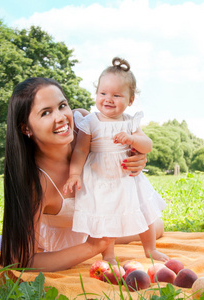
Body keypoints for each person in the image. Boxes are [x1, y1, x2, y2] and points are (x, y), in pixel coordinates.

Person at [0, 77, 163, 272]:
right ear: (26, 128)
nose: (61, 117)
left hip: (100, 222)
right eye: (46, 112)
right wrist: (92, 247)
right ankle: (4, 239)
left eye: (62, 105)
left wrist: (138, 158)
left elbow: (124, 147)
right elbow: (21, 262)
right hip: (68, 241)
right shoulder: (36, 182)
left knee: (157, 226)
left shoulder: (84, 125)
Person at [63, 57, 169, 264]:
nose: (108, 99)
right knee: (106, 217)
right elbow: (80, 151)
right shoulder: (91, 121)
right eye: (103, 93)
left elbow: (147, 145)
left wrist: (132, 139)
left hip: (127, 179)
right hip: (100, 179)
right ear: (96, 94)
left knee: (145, 212)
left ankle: (150, 249)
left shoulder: (130, 122)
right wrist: (74, 174)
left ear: (130, 100)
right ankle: (109, 255)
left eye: (116, 95)